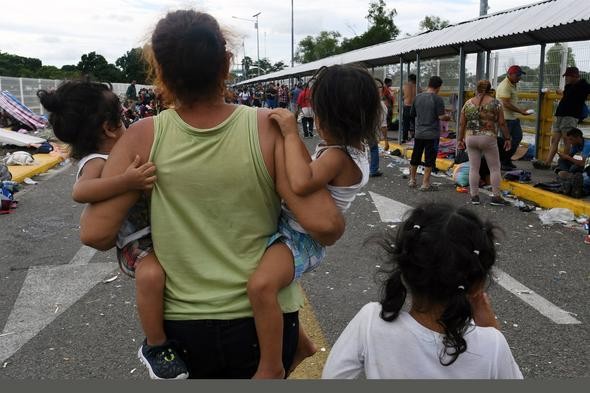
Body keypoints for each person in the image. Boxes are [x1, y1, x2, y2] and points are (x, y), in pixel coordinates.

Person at [78, 9, 344, 379]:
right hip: (265, 324)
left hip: (183, 327)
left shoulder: (141, 135)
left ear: (161, 72)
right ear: (227, 62)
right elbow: (325, 226)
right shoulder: (265, 128)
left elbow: (95, 233)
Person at [37, 80, 188, 380]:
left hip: (154, 233)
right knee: (151, 274)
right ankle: (155, 345)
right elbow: (81, 192)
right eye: (121, 115)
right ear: (109, 126)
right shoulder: (95, 161)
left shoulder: (126, 148)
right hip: (134, 243)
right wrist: (127, 182)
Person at [248, 64, 379, 379]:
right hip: (296, 231)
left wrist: (291, 133)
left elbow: (303, 181)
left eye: (316, 113)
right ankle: (301, 344)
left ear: (329, 118)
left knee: (260, 286)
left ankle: (271, 364)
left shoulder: (339, 156)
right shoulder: (350, 150)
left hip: (299, 239)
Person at [322, 203, 523, 379]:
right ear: (478, 284)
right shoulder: (492, 345)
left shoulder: (371, 322)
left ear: (405, 270)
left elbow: (332, 376)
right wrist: (491, 330)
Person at [457, 80, 512, 206]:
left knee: (474, 168)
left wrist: (460, 139)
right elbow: (502, 123)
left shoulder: (468, 103)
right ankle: (496, 197)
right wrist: (507, 138)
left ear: (477, 89)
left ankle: (474, 196)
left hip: (471, 137)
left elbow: (461, 124)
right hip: (488, 138)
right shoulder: (495, 103)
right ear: (489, 89)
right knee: (494, 168)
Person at [535, 67, 590, 169]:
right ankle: (547, 162)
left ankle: (564, 164)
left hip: (571, 115)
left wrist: (562, 92)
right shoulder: (569, 86)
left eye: (568, 76)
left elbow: (572, 95)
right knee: (554, 139)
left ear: (574, 76)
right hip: (560, 114)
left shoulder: (584, 85)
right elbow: (567, 95)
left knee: (567, 140)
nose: (566, 78)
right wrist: (562, 92)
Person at [408, 76, 451, 191]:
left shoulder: (418, 97)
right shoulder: (437, 99)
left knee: (415, 156)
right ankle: (425, 183)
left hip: (419, 133)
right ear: (438, 87)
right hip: (432, 135)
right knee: (429, 158)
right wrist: (448, 116)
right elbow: (441, 116)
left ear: (429, 84)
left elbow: (412, 114)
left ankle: (412, 180)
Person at [495, 65, 533, 170]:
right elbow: (506, 104)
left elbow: (511, 102)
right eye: (517, 75)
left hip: (513, 117)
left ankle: (506, 159)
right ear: (510, 74)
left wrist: (520, 110)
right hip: (505, 118)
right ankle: (503, 161)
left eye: (520, 75)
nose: (519, 77)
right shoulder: (505, 86)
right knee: (505, 141)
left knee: (517, 137)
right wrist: (521, 111)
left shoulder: (512, 84)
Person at [555, 127, 590, 198]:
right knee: (562, 161)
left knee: (584, 178)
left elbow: (583, 163)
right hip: (585, 168)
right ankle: (569, 178)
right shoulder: (576, 145)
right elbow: (570, 157)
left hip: (587, 168)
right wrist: (564, 156)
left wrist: (567, 157)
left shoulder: (587, 145)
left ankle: (569, 180)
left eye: (571, 139)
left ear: (578, 138)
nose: (570, 142)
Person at [401, 74, 417, 142]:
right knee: (415, 123)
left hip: (407, 106)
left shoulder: (405, 86)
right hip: (414, 107)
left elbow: (402, 97)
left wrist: (405, 97)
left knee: (405, 124)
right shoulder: (417, 87)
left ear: (409, 79)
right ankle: (415, 137)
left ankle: (404, 138)